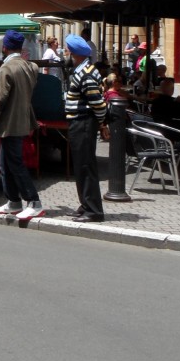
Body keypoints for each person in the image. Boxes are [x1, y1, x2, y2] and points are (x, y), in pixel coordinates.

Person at [0, 30, 45, 220]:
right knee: (5, 163)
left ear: (5, 47)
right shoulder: (29, 67)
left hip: (9, 124)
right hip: (22, 121)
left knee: (14, 163)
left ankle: (34, 202)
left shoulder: (7, 69)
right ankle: (13, 201)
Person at [64, 33, 108, 223]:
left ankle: (94, 210)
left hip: (83, 123)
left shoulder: (86, 73)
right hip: (80, 123)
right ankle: (85, 204)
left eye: (68, 51)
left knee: (85, 166)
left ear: (74, 53)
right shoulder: (85, 70)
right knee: (81, 166)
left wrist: (101, 123)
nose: (66, 54)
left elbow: (97, 103)